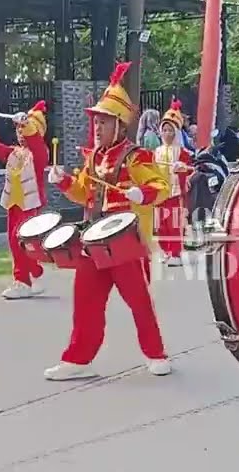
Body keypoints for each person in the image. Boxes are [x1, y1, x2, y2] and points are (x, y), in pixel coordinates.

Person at [44, 62, 172, 380]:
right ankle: (78, 359)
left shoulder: (135, 156)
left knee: (139, 302)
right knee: (85, 301)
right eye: (95, 121)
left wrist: (141, 193)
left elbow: (162, 187)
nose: (97, 127)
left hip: (125, 241)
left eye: (103, 121)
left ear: (120, 124)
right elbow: (84, 194)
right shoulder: (93, 158)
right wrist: (63, 181)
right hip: (93, 239)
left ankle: (156, 354)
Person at [0, 100, 50, 299]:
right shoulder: (14, 153)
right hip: (13, 204)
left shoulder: (39, 153)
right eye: (18, 129)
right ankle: (35, 273)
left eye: (25, 129)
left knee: (20, 239)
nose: (21, 133)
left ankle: (23, 281)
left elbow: (35, 142)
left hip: (30, 205)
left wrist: (26, 122)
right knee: (15, 241)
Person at [153, 98, 193, 267]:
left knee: (174, 225)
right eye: (164, 130)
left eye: (170, 130)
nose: (167, 133)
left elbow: (192, 170)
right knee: (161, 226)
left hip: (175, 195)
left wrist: (183, 167)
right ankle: (166, 251)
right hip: (160, 194)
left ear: (176, 133)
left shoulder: (183, 152)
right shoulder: (156, 152)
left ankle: (176, 253)